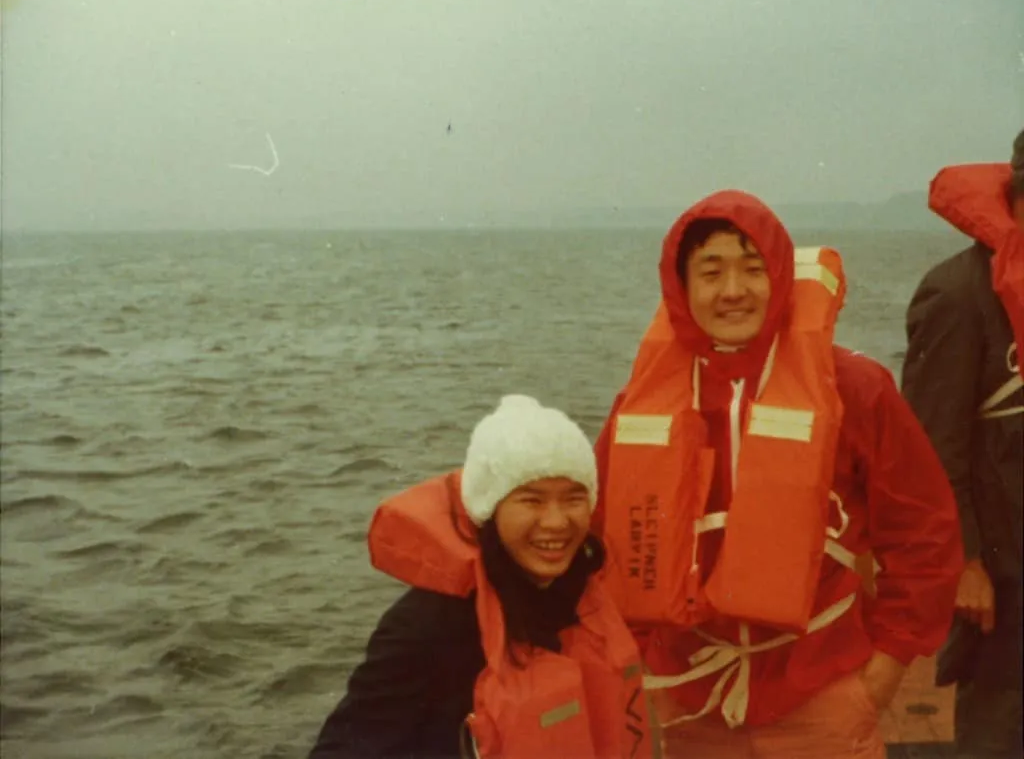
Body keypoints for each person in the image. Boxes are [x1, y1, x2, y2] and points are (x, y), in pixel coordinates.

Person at [591, 189, 964, 758]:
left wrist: (886, 668)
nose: (733, 290)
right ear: (681, 287)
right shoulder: (640, 407)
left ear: (782, 276)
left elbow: (924, 535)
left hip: (823, 692)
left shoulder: (856, 391)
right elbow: (599, 546)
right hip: (688, 702)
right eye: (711, 271)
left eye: (752, 268)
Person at [308, 394, 655, 759]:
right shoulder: (425, 626)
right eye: (531, 500)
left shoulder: (584, 599)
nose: (556, 521)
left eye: (573, 499)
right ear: (489, 509)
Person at [900, 129, 1024, 759]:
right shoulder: (957, 294)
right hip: (1000, 574)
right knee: (999, 729)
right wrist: (966, 563)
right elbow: (927, 451)